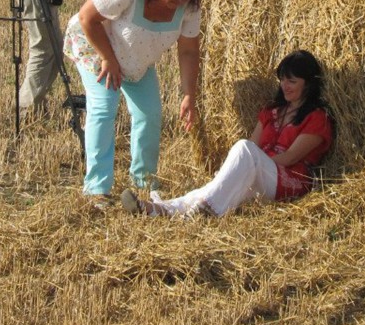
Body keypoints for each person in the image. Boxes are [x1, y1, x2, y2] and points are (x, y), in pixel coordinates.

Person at [64, 0, 207, 202]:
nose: (181, 1)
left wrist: (188, 94)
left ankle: (144, 181)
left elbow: (188, 51)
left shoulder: (189, 6)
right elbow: (88, 18)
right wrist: (108, 58)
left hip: (135, 58)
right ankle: (97, 189)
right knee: (104, 107)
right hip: (98, 48)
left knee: (149, 113)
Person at [121, 50, 335, 218]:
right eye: (282, 80)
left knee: (241, 151)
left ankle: (208, 211)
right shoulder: (272, 112)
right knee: (215, 187)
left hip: (290, 181)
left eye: (292, 81)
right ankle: (156, 209)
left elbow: (290, 158)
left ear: (309, 84)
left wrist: (249, 164)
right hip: (264, 175)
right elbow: (254, 145)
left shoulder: (317, 118)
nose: (284, 86)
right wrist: (237, 169)